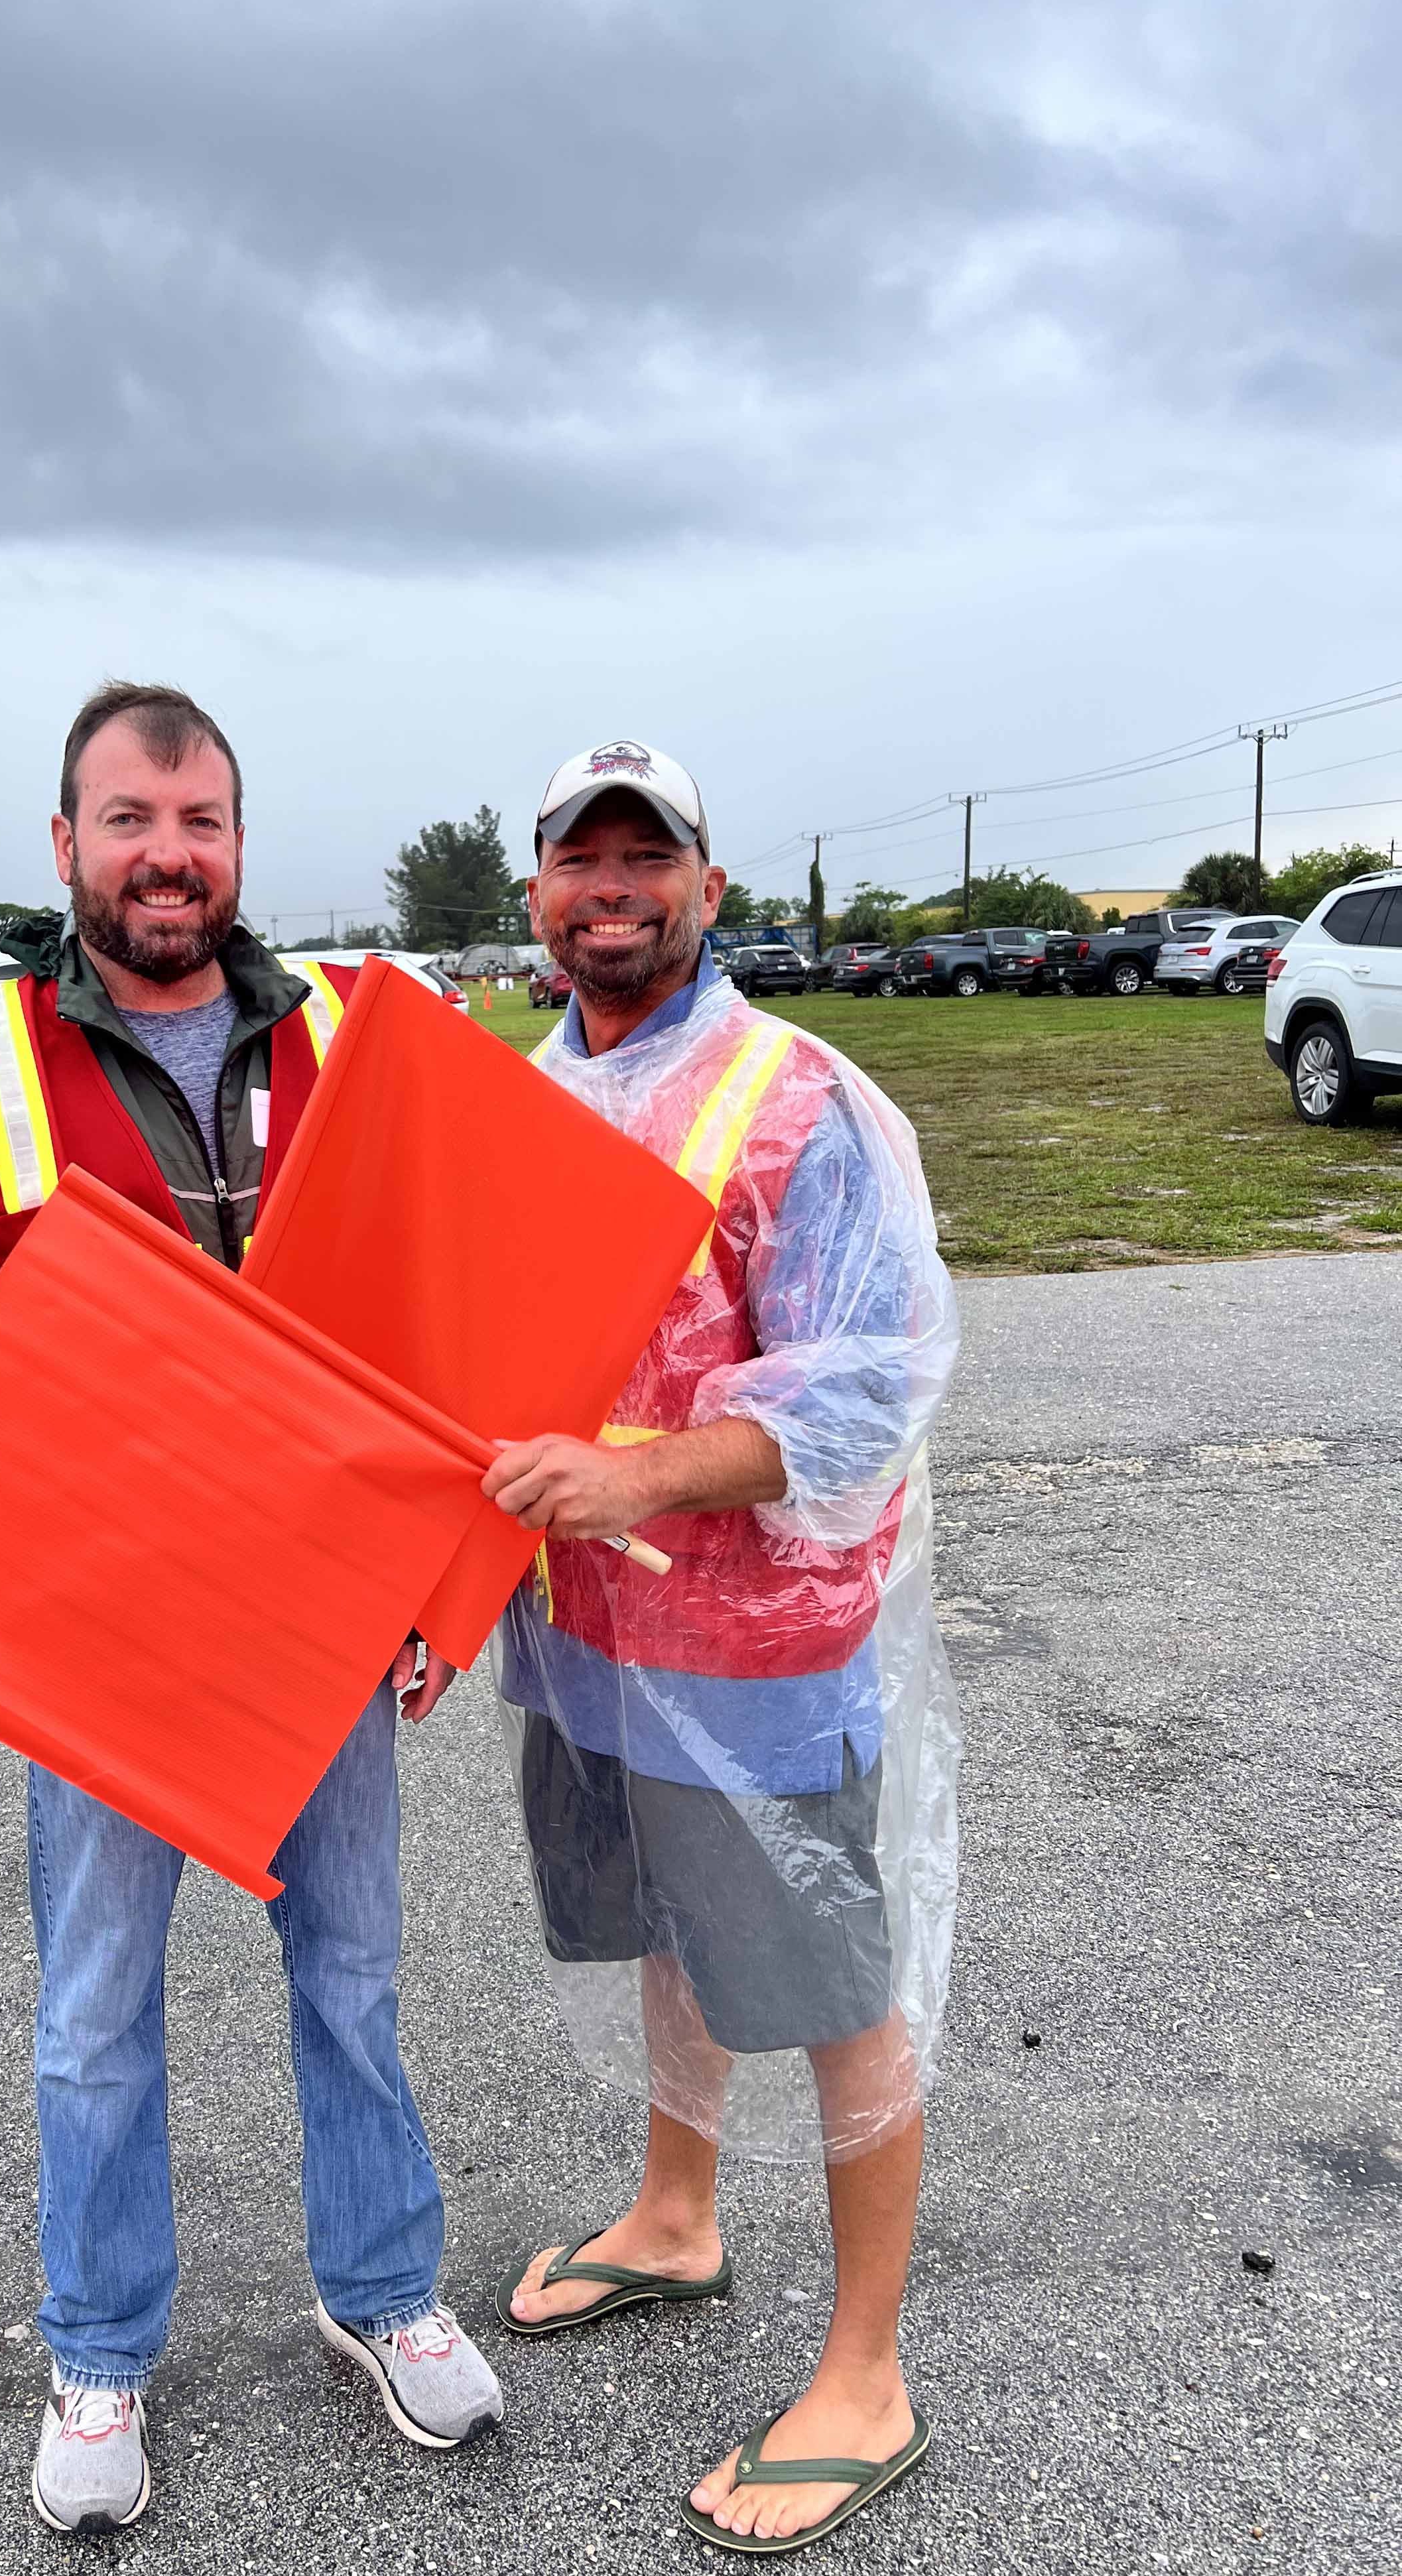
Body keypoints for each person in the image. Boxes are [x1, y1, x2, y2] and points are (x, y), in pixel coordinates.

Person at [0, 680, 503, 2536]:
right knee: (94, 2011)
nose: (170, 854)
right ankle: (102, 2348)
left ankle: (377, 2297)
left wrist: (430, 1592)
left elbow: (442, 1347)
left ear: (239, 842)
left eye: (202, 819)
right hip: (112, 1638)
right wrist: (32, 1598)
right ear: (65, 844)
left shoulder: (351, 1044)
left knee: (356, 1980)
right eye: (131, 819)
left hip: (327, 1633)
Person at [476, 739, 960, 2557]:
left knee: (834, 1990)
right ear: (537, 894)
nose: (612, 887)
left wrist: (640, 1473)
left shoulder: (796, 1099)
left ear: (706, 882)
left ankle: (868, 2372)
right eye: (579, 858)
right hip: (583, 1637)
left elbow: (867, 1393)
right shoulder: (529, 1092)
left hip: (756, 1656)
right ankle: (677, 2216)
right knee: (667, 1930)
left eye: (645, 856)